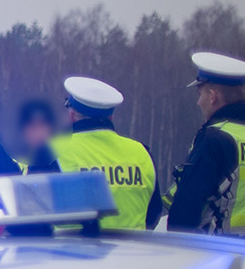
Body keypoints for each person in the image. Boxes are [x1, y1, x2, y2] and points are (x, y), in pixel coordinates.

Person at [170, 53, 245, 236]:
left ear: (212, 96)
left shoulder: (214, 138)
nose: (198, 102)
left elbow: (186, 210)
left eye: (200, 94)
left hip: (221, 254)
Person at [22, 77, 161, 232]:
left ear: (72, 116)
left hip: (67, 254)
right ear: (110, 118)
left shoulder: (48, 151)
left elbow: (30, 213)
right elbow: (153, 213)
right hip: (134, 253)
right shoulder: (142, 152)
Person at [14, 99, 58, 168]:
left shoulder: (61, 159)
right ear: (23, 129)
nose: (38, 133)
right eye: (33, 127)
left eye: (43, 126)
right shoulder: (14, 162)